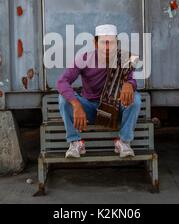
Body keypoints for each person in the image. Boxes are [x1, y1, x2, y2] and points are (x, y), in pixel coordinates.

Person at [56, 24, 141, 159]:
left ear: (117, 43)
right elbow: (62, 81)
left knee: (135, 98)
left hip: (113, 108)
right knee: (63, 99)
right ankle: (75, 142)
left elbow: (132, 80)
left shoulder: (124, 58)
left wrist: (129, 84)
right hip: (89, 108)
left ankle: (124, 142)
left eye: (111, 43)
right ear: (95, 43)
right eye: (103, 43)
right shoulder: (84, 58)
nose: (107, 47)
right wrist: (77, 105)